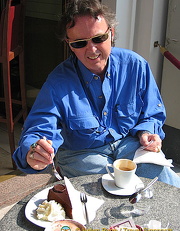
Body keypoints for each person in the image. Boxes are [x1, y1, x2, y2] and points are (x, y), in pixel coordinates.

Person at [13, 0, 180, 187]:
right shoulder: (57, 82)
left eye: (98, 38)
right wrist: (34, 151)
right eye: (79, 43)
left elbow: (152, 112)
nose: (91, 50)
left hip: (129, 144)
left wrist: (147, 131)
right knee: (101, 189)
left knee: (161, 178)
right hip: (81, 153)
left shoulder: (135, 66)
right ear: (69, 43)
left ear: (111, 33)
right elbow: (39, 128)